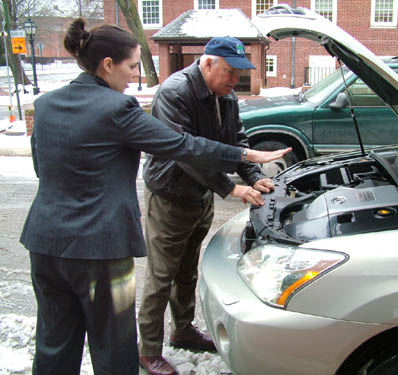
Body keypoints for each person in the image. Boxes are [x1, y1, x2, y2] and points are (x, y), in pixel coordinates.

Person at [20, 20, 290, 375]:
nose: (135, 75)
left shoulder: (46, 105)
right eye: (132, 66)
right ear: (107, 65)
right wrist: (246, 157)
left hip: (45, 244)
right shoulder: (118, 108)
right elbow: (180, 145)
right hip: (102, 252)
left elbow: (43, 168)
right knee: (114, 346)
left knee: (54, 343)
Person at [137, 37, 275, 375]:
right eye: (229, 72)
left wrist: (254, 175)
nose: (234, 81)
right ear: (208, 63)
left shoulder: (224, 95)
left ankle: (182, 330)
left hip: (201, 194)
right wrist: (230, 188)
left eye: (239, 74)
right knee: (161, 275)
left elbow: (237, 142)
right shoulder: (175, 92)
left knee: (187, 271)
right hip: (170, 195)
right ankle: (147, 350)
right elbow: (184, 151)